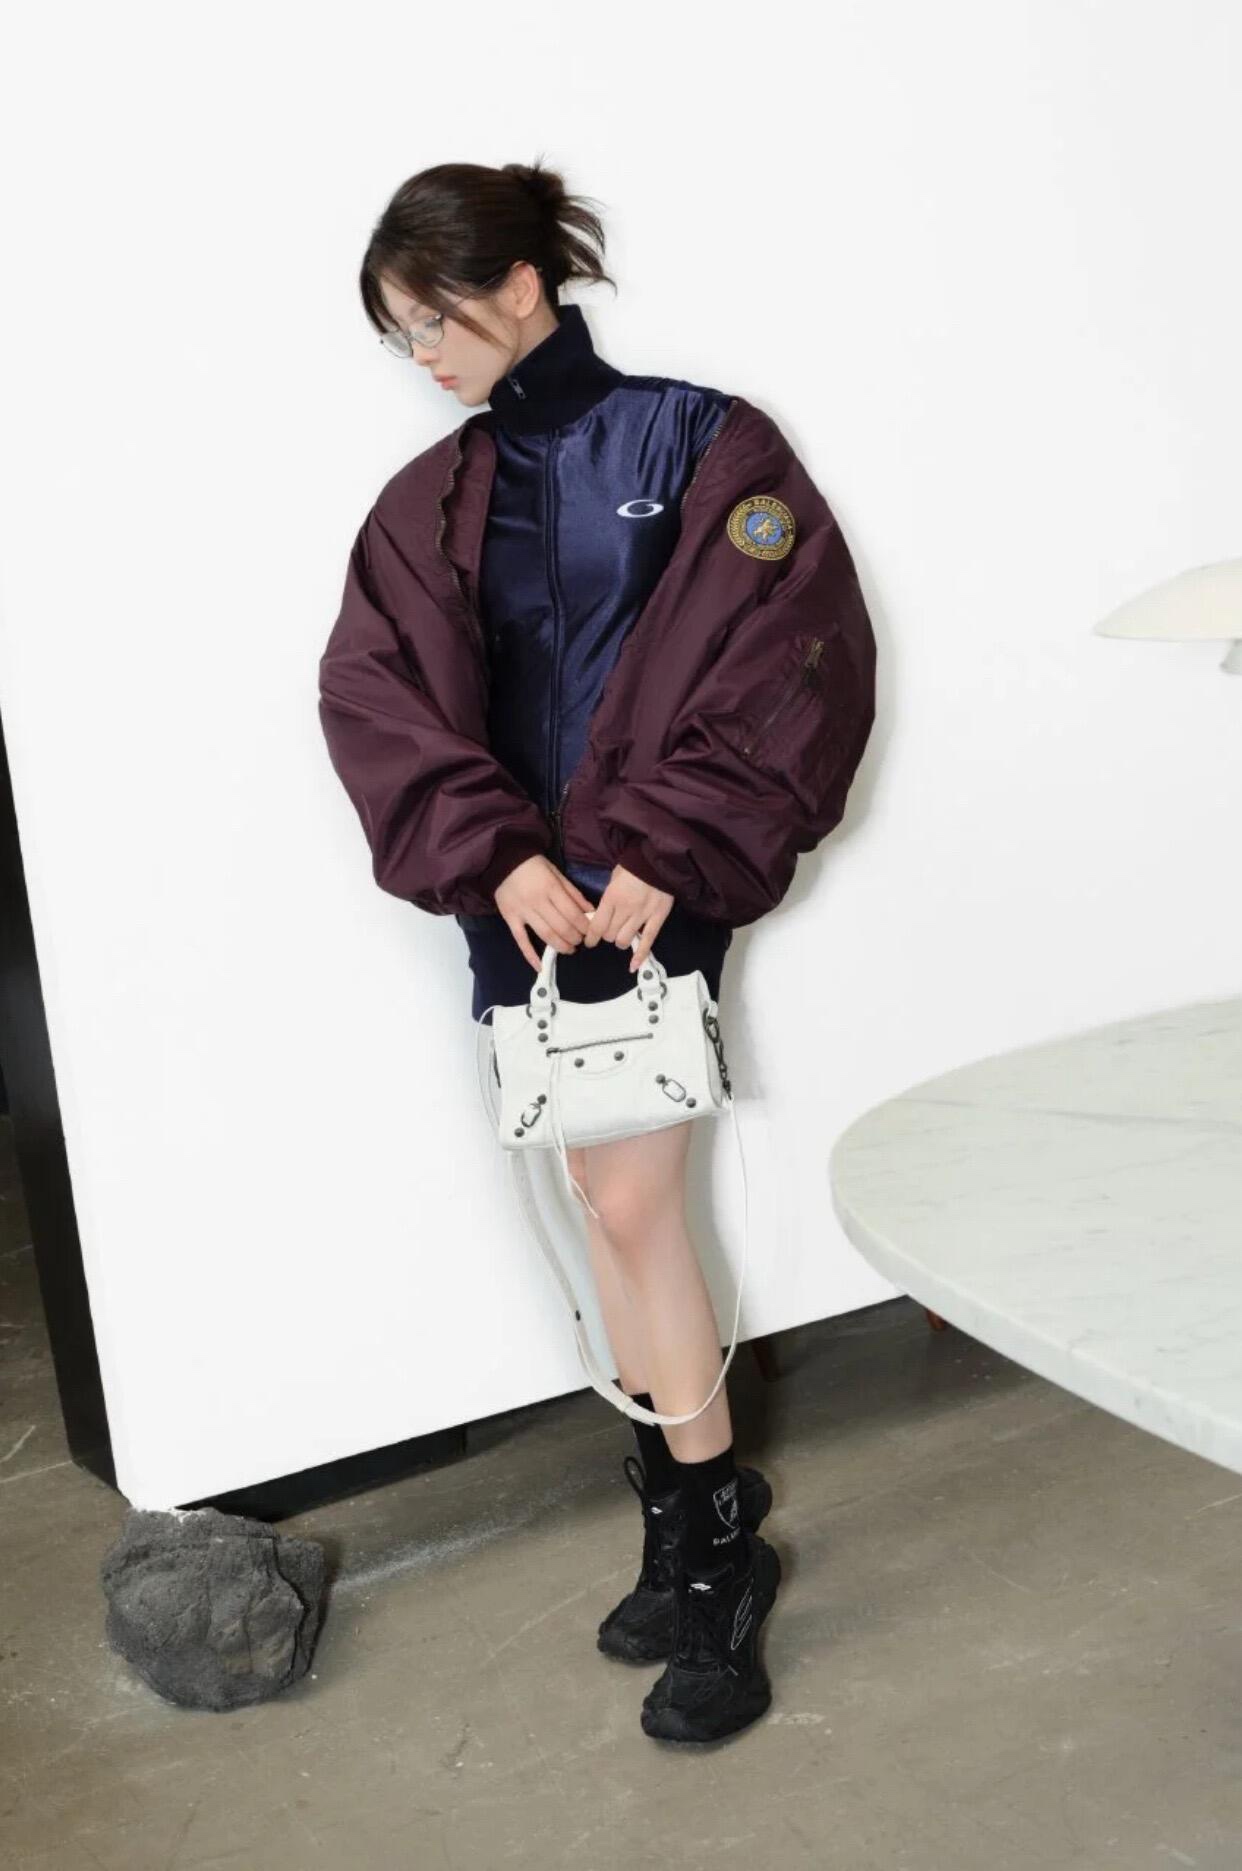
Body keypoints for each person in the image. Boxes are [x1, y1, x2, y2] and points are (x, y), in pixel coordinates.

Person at [318, 157, 877, 1744]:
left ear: (519, 287)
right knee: (594, 1198)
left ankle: (715, 1556)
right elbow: (375, 694)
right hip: (517, 899)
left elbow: (795, 652)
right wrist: (495, 854)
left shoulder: (703, 443)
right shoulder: (432, 499)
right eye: (398, 337)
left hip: (650, 889)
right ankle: (685, 1505)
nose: (423, 358)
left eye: (434, 320)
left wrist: (666, 848)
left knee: (633, 1203)